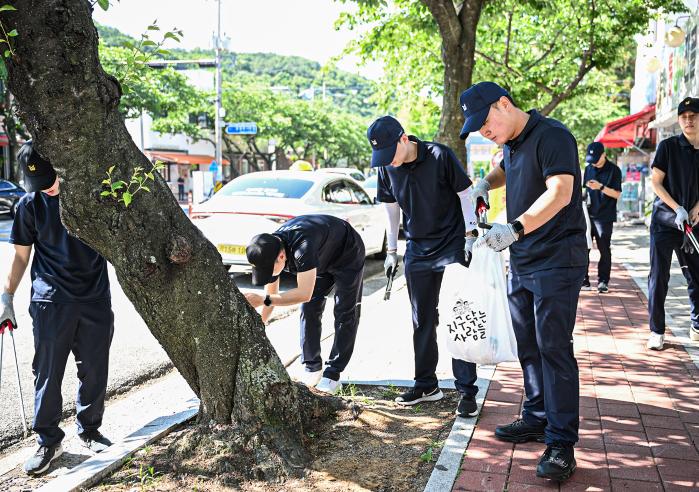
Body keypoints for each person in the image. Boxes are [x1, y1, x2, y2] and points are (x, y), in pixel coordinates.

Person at [460, 82, 587, 481]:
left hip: (557, 259)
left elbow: (560, 192)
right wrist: (486, 183)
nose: (485, 131)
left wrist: (515, 228)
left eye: (486, 123)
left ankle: (562, 442)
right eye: (477, 129)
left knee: (553, 347)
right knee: (527, 343)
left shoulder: (553, 136)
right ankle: (536, 415)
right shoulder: (511, 142)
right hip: (524, 259)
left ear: (504, 104)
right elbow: (506, 169)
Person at [0, 142, 114, 476]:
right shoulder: (29, 205)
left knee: (95, 369)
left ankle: (89, 429)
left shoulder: (89, 197)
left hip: (94, 297)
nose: (47, 186)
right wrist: (6, 297)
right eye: (39, 183)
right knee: (47, 373)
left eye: (50, 178)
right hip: (50, 300)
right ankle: (48, 439)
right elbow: (21, 257)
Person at [367, 115, 480, 418]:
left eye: (390, 154)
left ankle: (467, 390)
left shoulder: (440, 155)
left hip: (452, 243)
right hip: (417, 248)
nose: (388, 162)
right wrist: (392, 250)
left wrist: (470, 235)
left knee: (460, 315)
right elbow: (390, 208)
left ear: (404, 139)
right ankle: (426, 385)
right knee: (422, 318)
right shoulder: (385, 167)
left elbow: (465, 194)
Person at [244, 214, 365, 394]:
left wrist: (262, 299)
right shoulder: (269, 248)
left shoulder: (302, 247)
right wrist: (260, 323)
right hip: (322, 255)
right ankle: (312, 367)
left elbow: (303, 293)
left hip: (347, 252)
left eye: (269, 271)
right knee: (309, 309)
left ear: (282, 256)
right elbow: (272, 295)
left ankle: (332, 374)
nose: (268, 275)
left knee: (345, 312)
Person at [647, 96, 699, 350]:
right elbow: (656, 182)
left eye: (694, 116)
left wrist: (696, 210)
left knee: (696, 276)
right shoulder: (668, 146)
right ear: (679, 120)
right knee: (659, 277)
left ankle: (697, 325)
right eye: (684, 116)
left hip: (693, 224)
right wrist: (677, 208)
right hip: (665, 222)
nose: (688, 120)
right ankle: (656, 330)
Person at [582, 142, 622, 293]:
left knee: (604, 249)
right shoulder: (588, 169)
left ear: (604, 154)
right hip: (587, 214)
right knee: (583, 248)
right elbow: (585, 190)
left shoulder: (614, 170)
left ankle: (603, 281)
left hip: (605, 216)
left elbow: (617, 194)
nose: (593, 162)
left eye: (596, 159)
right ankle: (584, 280)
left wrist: (600, 187)